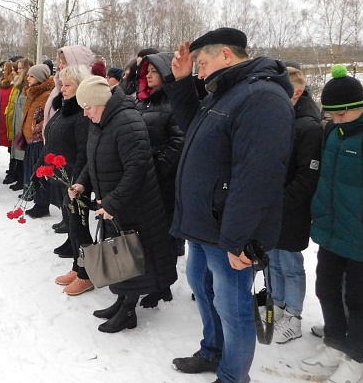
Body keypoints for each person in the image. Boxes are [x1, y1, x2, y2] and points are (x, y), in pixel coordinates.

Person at [164, 28, 295, 383]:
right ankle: (213, 350)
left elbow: (259, 175)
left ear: (226, 54)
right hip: (205, 223)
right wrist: (180, 82)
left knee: (233, 305)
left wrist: (239, 237)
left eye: (202, 64)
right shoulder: (227, 92)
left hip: (228, 230)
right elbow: (196, 130)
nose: (200, 72)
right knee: (199, 283)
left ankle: (233, 376)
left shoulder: (261, 97)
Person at [301, 65, 363, 383]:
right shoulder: (331, 133)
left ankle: (354, 358)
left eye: (342, 114)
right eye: (330, 114)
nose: (336, 120)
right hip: (331, 232)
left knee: (356, 300)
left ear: (358, 107)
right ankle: (333, 345)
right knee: (326, 289)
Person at [70, 76, 178, 333]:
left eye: (88, 107)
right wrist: (82, 183)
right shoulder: (102, 121)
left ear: (101, 103)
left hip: (135, 205)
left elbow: (137, 168)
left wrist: (113, 201)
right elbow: (92, 159)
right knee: (120, 255)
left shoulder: (128, 122)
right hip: (114, 203)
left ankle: (129, 310)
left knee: (131, 255)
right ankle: (121, 301)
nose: (85, 114)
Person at [268, 66, 323, 344]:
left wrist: (281, 201)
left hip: (292, 209)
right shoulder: (284, 117)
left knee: (290, 262)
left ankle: (295, 316)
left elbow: (306, 175)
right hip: (275, 205)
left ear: (297, 92)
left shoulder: (308, 126)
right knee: (274, 260)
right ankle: (277, 305)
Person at [136, 52, 185, 308]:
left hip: (163, 182)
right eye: (146, 71)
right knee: (147, 234)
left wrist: (155, 168)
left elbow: (179, 142)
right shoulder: (142, 102)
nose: (148, 75)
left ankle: (162, 285)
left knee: (163, 237)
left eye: (153, 71)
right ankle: (150, 279)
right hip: (145, 179)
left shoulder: (173, 102)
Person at [45, 65, 92, 295]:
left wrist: (77, 180)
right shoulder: (65, 108)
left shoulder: (82, 113)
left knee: (80, 228)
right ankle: (77, 266)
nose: (62, 89)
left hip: (76, 179)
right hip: (65, 178)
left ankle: (86, 274)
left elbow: (84, 151)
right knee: (73, 227)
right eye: (61, 84)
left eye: (67, 85)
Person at [20, 64, 55, 218]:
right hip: (30, 140)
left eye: (31, 76)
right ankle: (36, 199)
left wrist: (37, 127)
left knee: (40, 172)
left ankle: (42, 204)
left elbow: (49, 117)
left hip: (39, 140)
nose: (28, 78)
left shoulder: (46, 95)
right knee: (32, 171)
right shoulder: (32, 93)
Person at [4, 58, 33, 191]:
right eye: (18, 68)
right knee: (16, 153)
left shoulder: (27, 87)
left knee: (22, 155)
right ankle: (19, 178)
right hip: (15, 123)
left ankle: (23, 180)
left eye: (21, 68)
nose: (18, 71)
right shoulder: (18, 86)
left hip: (22, 125)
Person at [0, 62, 16, 183]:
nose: (3, 71)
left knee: (13, 148)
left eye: (6, 69)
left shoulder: (14, 85)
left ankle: (13, 171)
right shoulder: (1, 83)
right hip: (1, 118)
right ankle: (12, 170)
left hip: (9, 120)